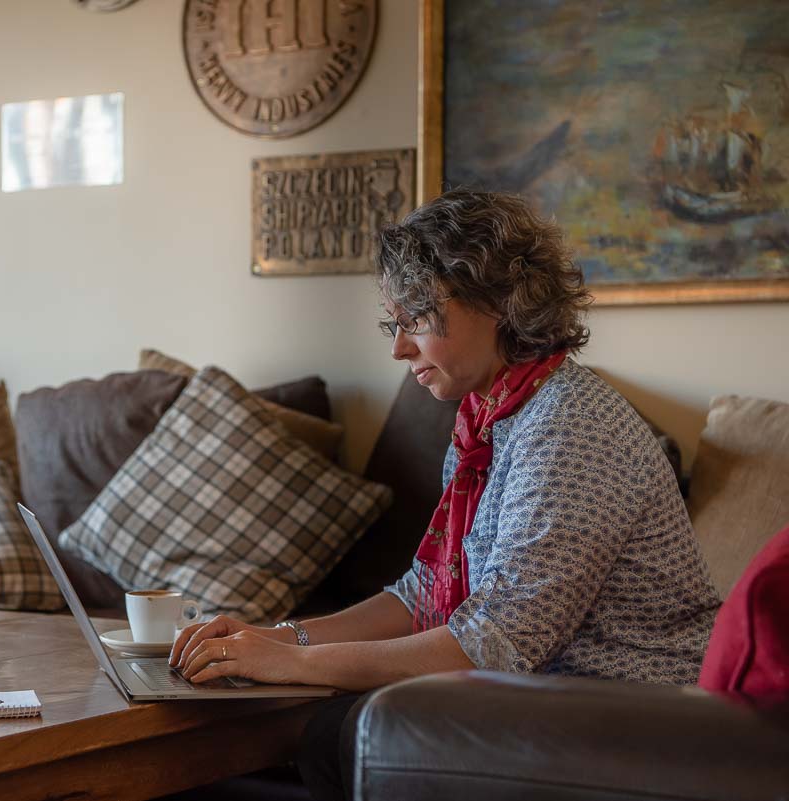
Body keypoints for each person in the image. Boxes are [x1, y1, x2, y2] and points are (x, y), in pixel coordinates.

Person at [168, 188, 721, 801]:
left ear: (498, 301)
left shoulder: (571, 427)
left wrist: (293, 665)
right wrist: (281, 636)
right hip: (549, 698)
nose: (398, 348)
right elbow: (423, 592)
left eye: (417, 320)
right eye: (395, 323)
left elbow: (493, 645)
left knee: (331, 736)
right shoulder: (488, 419)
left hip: (633, 719)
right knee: (289, 729)